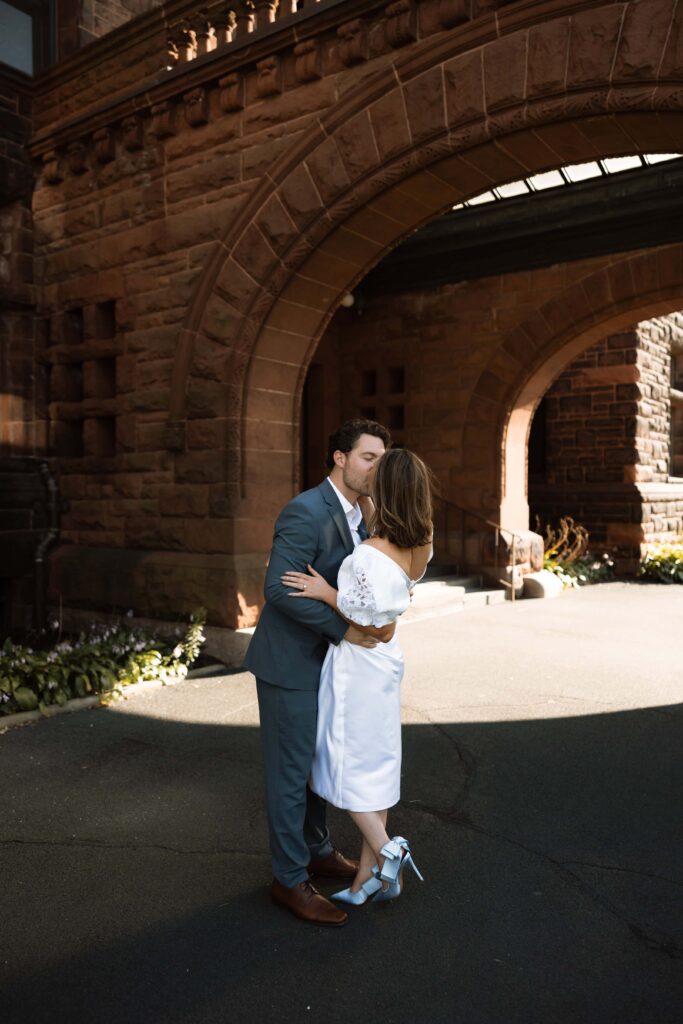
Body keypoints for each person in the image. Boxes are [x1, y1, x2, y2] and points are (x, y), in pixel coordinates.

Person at [244, 418, 393, 927]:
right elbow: (280, 590)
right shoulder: (306, 511)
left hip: (330, 666)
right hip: (290, 664)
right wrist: (345, 630)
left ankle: (318, 850)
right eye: (368, 457)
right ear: (339, 457)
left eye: (380, 459)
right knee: (290, 775)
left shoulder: (363, 515)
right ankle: (289, 880)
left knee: (318, 765)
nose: (375, 467)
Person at [281, 447, 433, 906]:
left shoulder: (369, 552)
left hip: (359, 665)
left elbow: (374, 625)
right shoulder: (422, 542)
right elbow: (391, 617)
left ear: (386, 490)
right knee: (377, 762)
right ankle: (366, 881)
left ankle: (390, 851)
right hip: (387, 664)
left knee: (341, 762)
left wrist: (327, 592)